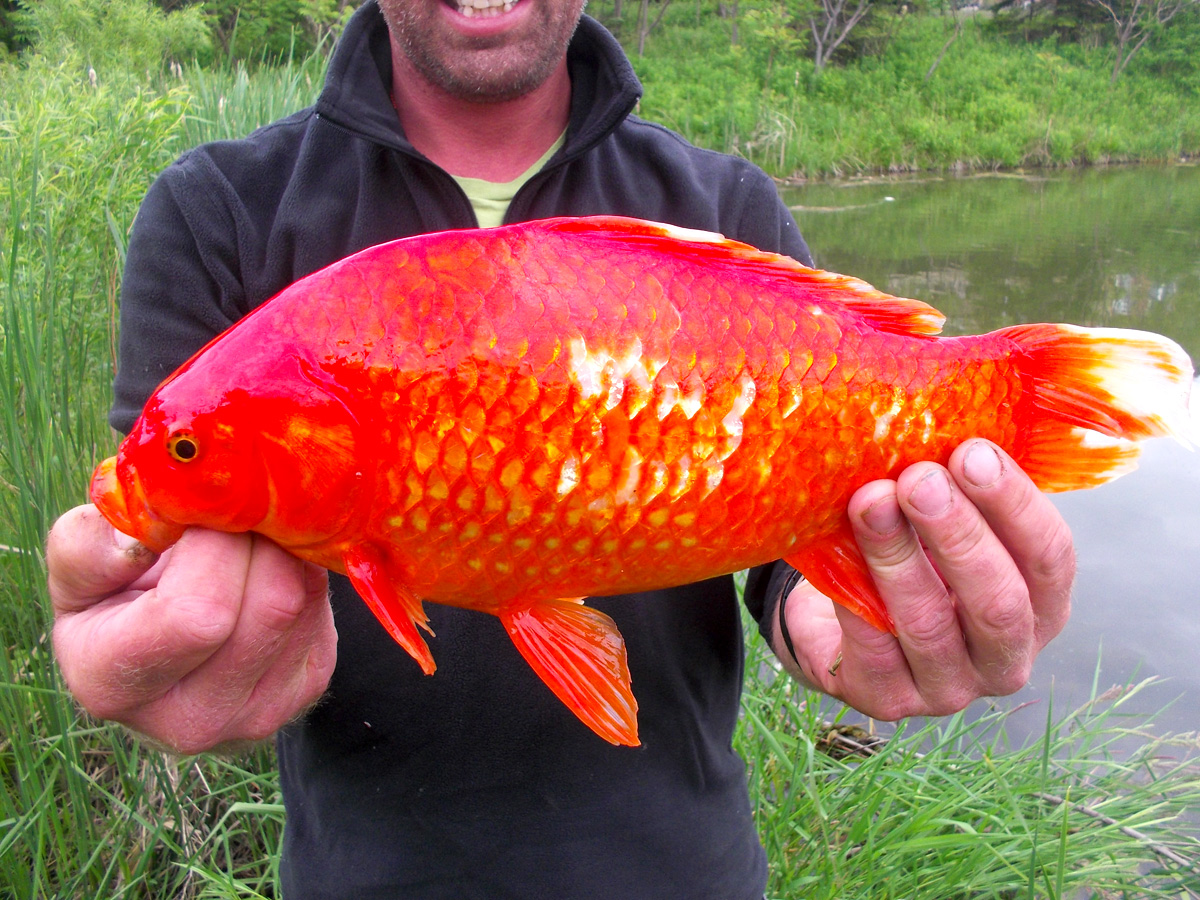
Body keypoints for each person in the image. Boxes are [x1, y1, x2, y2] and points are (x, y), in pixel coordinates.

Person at [45, 0, 1075, 896]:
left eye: (182, 451)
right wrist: (153, 658)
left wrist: (852, 626)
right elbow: (171, 575)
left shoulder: (724, 204)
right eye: (186, 450)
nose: (167, 460)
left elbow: (782, 561)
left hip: (682, 874)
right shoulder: (217, 210)